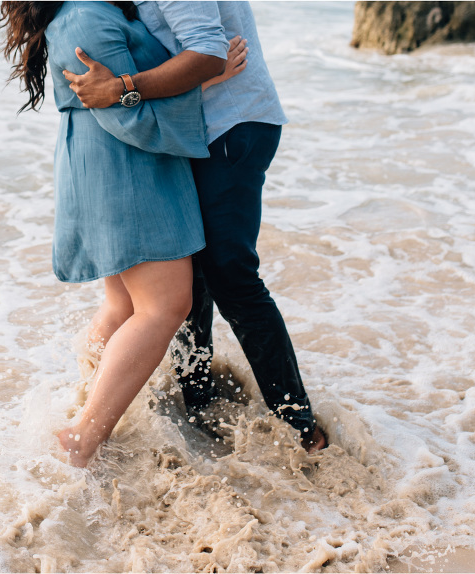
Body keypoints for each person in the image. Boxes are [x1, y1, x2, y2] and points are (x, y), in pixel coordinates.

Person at [61, 1, 327, 452]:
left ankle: (299, 426)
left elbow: (209, 55)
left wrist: (124, 88)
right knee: (190, 274)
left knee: (230, 275)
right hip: (195, 127)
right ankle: (199, 405)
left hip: (229, 123)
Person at [0, 1, 245, 467]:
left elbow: (124, 98)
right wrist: (209, 80)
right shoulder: (85, 17)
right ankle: (81, 436)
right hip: (126, 169)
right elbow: (128, 116)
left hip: (112, 164)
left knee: (125, 305)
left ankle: (87, 404)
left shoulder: (91, 11)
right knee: (165, 306)